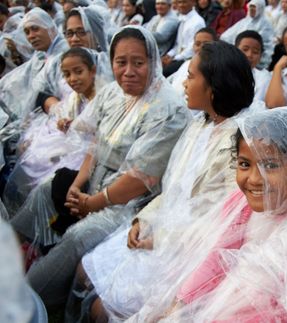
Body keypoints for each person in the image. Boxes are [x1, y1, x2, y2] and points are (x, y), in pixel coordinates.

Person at [9, 26, 191, 308]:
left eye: (138, 63)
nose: (128, 71)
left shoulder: (168, 109)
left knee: (79, 236)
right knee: (47, 189)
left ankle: (30, 297)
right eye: (121, 62)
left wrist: (94, 202)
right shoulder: (113, 94)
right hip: (94, 187)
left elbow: (140, 179)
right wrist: (77, 185)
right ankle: (13, 255)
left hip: (129, 204)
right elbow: (97, 144)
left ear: (153, 62)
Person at [75, 41, 255, 322]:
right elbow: (174, 188)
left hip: (189, 247)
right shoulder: (200, 124)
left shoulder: (238, 142)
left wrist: (160, 238)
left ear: (214, 87)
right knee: (86, 272)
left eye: (192, 76)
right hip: (164, 226)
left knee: (101, 308)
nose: (183, 82)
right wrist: (143, 220)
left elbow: (218, 222)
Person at [126, 106, 287, 322]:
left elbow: (285, 305)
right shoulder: (241, 204)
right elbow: (216, 256)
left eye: (270, 165)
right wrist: (181, 305)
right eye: (245, 164)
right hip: (214, 306)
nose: (255, 178)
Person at [3, 48, 99, 214]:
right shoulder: (75, 97)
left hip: (90, 150)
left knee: (50, 179)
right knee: (31, 160)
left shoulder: (101, 97)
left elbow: (95, 129)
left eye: (78, 72)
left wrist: (75, 125)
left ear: (92, 71)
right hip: (73, 145)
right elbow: (66, 115)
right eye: (67, 74)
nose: (73, 79)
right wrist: (64, 123)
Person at [0, 7, 68, 120]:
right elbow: (21, 75)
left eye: (35, 29)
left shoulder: (64, 52)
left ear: (50, 28)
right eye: (27, 32)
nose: (31, 36)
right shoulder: (40, 55)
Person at [166, 27, 216, 100]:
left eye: (206, 44)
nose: (201, 48)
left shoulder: (215, 69)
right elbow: (169, 81)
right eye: (197, 44)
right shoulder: (187, 63)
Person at [220, 0, 273, 68]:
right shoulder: (244, 21)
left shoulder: (265, 25)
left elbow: (266, 46)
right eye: (250, 7)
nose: (251, 9)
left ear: (260, 8)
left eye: (254, 7)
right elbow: (226, 36)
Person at [162, 0, 205, 77]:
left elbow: (192, 48)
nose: (181, 5)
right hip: (179, 57)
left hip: (189, 60)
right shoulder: (182, 19)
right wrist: (168, 55)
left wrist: (174, 59)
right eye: (179, 2)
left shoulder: (197, 22)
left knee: (164, 72)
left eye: (184, 2)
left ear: (193, 3)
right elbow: (178, 44)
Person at [235, 30, 271, 103]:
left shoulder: (263, 78)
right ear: (235, 50)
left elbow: (257, 104)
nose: (249, 55)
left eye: (255, 52)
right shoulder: (224, 72)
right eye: (245, 49)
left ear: (261, 56)